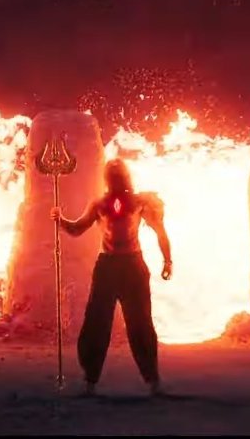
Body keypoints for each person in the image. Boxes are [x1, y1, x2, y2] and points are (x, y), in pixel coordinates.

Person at [50, 158, 173, 397]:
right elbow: (77, 229)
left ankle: (153, 380)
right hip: (107, 267)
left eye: (119, 175)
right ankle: (90, 381)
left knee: (140, 324)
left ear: (126, 177)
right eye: (113, 175)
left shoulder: (140, 202)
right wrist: (60, 219)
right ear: (108, 179)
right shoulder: (99, 204)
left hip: (132, 267)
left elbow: (160, 232)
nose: (117, 179)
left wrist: (168, 260)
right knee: (96, 323)